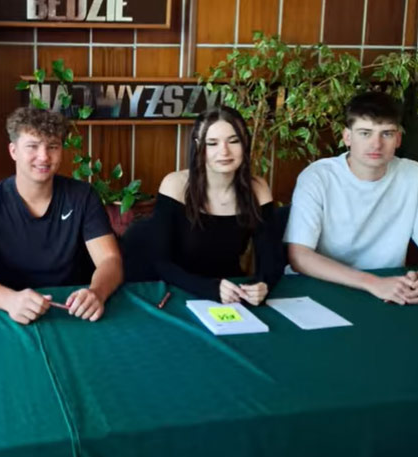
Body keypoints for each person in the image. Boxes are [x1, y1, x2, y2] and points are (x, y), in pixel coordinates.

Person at [0, 107, 122, 324]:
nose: (43, 157)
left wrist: (97, 292)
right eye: (32, 146)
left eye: (52, 147)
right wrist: (9, 300)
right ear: (13, 151)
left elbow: (110, 259)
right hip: (9, 312)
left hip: (71, 310)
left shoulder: (83, 196)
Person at [123, 106, 284, 304]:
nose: (224, 151)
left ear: (245, 143)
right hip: (176, 291)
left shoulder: (258, 189)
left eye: (234, 141)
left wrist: (263, 285)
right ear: (199, 146)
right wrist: (211, 289)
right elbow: (161, 263)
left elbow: (272, 261)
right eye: (212, 143)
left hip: (230, 294)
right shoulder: (175, 185)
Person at [286, 91, 418, 304]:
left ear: (398, 139)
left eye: (386, 134)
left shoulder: (413, 175)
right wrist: (373, 283)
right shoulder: (318, 176)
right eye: (365, 133)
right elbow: (299, 256)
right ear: (347, 137)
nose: (376, 144)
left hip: (389, 291)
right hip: (319, 287)